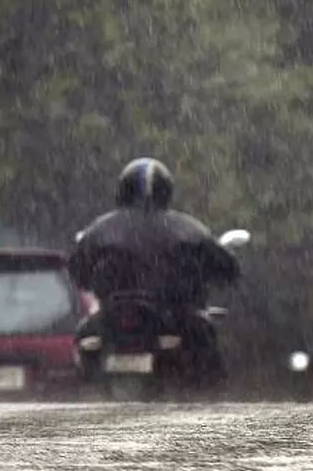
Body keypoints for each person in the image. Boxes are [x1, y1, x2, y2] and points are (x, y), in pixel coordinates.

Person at [68, 157, 241, 384]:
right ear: (166, 190)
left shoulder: (100, 229)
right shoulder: (187, 228)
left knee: (84, 337)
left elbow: (77, 271)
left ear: (123, 190)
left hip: (114, 317)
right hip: (174, 315)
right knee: (207, 346)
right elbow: (226, 267)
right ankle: (209, 396)